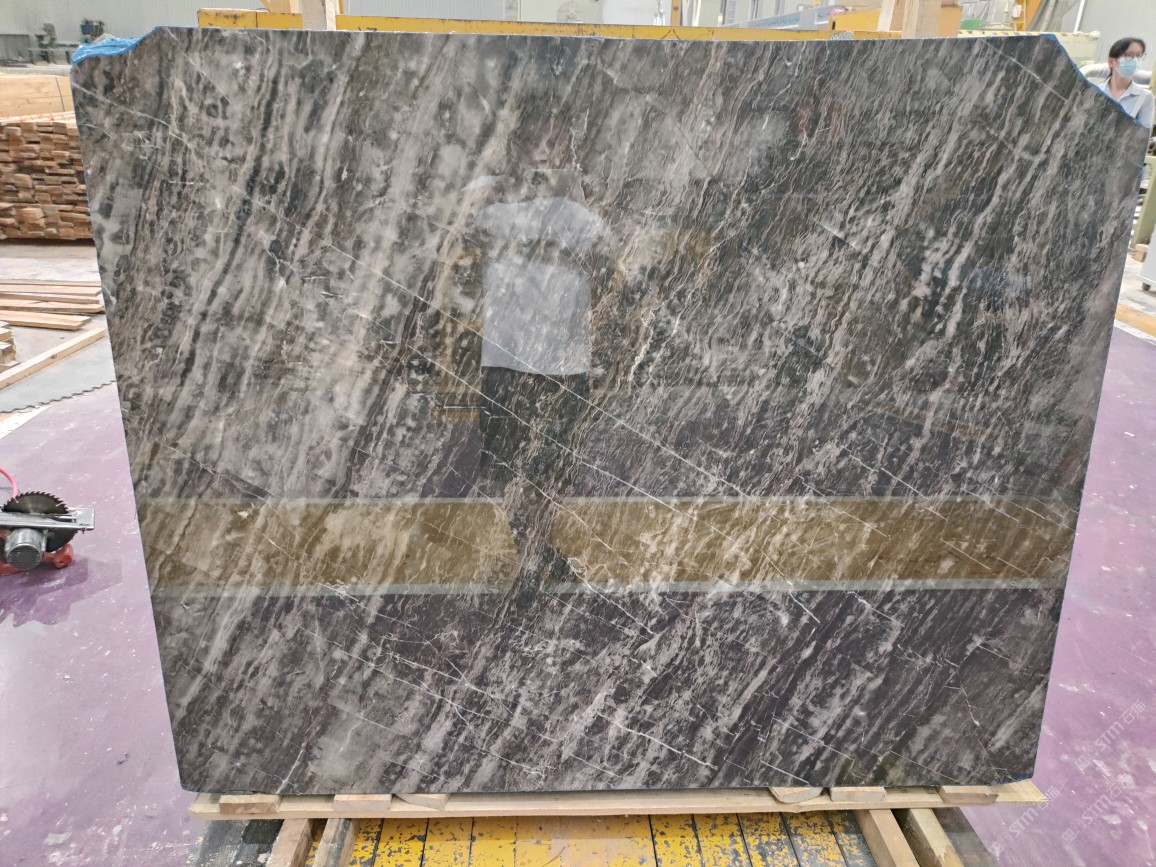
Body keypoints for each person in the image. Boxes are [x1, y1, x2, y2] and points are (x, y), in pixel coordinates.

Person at [1100, 37, 1155, 130]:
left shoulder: (1145, 97)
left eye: (1138, 56)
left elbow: (1143, 135)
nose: (1135, 60)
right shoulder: (1096, 91)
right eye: (1129, 55)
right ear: (1111, 62)